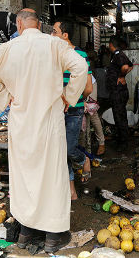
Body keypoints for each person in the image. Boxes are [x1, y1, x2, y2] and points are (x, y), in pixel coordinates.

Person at [0, 10, 87, 253]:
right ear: (40, 24)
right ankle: (53, 236)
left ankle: (25, 233)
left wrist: (4, 97)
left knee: (25, 178)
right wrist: (69, 95)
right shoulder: (54, 44)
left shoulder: (8, 48)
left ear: (19, 24)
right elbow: (80, 66)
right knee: (52, 177)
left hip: (21, 123)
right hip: (49, 124)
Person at [51, 20, 93, 201]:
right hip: (56, 110)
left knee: (68, 148)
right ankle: (71, 190)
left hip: (74, 110)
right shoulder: (51, 55)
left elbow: (89, 88)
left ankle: (84, 160)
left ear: (64, 35)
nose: (51, 35)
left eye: (54, 31)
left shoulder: (80, 55)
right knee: (60, 152)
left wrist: (71, 98)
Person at [106, 36, 133, 151]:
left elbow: (126, 67)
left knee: (119, 117)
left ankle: (123, 144)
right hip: (117, 91)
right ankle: (123, 139)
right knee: (120, 116)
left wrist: (122, 76)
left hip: (118, 92)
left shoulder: (118, 54)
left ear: (111, 44)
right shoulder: (117, 55)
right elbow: (130, 65)